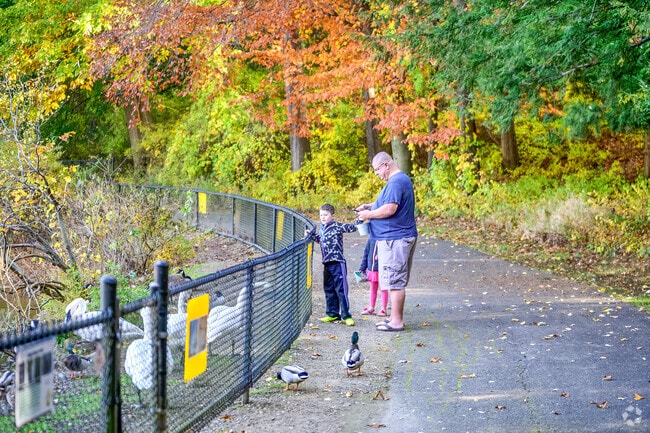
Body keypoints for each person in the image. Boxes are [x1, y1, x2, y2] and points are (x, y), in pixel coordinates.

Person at [356, 152, 417, 332]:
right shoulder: (398, 181)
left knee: (395, 279)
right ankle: (392, 318)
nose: (377, 173)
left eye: (377, 170)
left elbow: (390, 208)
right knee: (391, 279)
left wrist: (369, 215)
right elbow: (387, 202)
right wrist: (370, 206)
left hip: (395, 239)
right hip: (393, 238)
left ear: (386, 165)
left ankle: (397, 321)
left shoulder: (397, 181)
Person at [306, 203, 358, 326]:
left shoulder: (337, 226)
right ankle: (333, 314)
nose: (323, 217)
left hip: (337, 262)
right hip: (327, 263)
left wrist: (361, 218)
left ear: (332, 216)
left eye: (325, 215)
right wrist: (312, 235)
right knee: (329, 289)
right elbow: (321, 240)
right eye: (321, 215)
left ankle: (346, 315)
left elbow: (353, 227)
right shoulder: (322, 228)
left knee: (341, 289)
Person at [359, 236, 388, 317]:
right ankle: (371, 308)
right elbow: (366, 252)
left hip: (382, 269)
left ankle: (383, 309)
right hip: (372, 269)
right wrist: (363, 267)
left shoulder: (386, 239)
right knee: (372, 289)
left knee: (383, 289)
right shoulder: (371, 238)